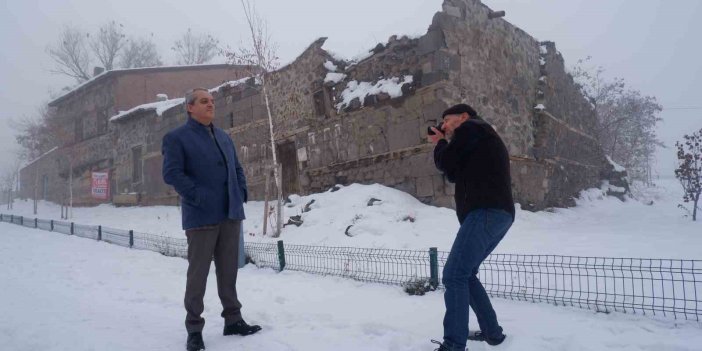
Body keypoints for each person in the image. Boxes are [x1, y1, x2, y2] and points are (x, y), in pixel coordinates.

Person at [162, 88, 261, 351]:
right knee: (198, 276)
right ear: (190, 107)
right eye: (204, 101)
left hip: (230, 213)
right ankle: (194, 329)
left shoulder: (224, 137)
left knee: (228, 271)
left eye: (212, 101)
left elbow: (237, 167)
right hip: (201, 215)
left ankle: (233, 320)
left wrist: (241, 192)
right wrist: (198, 196)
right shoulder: (176, 138)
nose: (210, 105)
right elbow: (172, 173)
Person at [427, 104, 515, 351]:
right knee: (466, 274)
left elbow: (446, 162)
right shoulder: (478, 137)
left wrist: (439, 142)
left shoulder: (470, 128)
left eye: (447, 120)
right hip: (499, 214)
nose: (444, 125)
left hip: (485, 211)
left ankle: (454, 345)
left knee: (454, 274)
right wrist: (443, 143)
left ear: (463, 117)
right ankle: (492, 333)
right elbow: (453, 172)